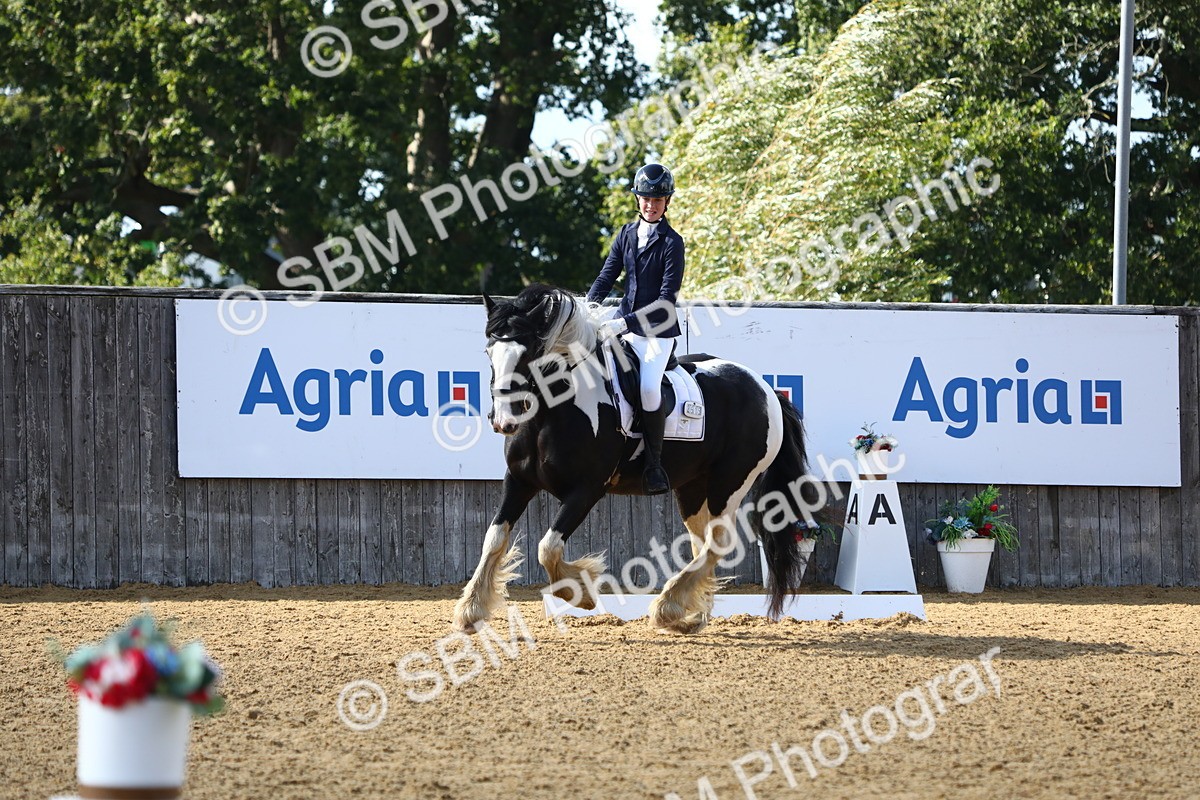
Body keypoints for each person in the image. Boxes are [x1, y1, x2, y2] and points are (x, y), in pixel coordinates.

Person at [587, 163, 684, 495]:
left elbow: (665, 301)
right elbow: (606, 277)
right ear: (638, 199)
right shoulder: (626, 234)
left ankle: (654, 466)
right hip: (623, 323)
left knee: (647, 389)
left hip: (658, 333)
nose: (650, 205)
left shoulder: (673, 242)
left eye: (657, 200)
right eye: (645, 198)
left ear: (667, 201)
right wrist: (589, 308)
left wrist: (623, 323)